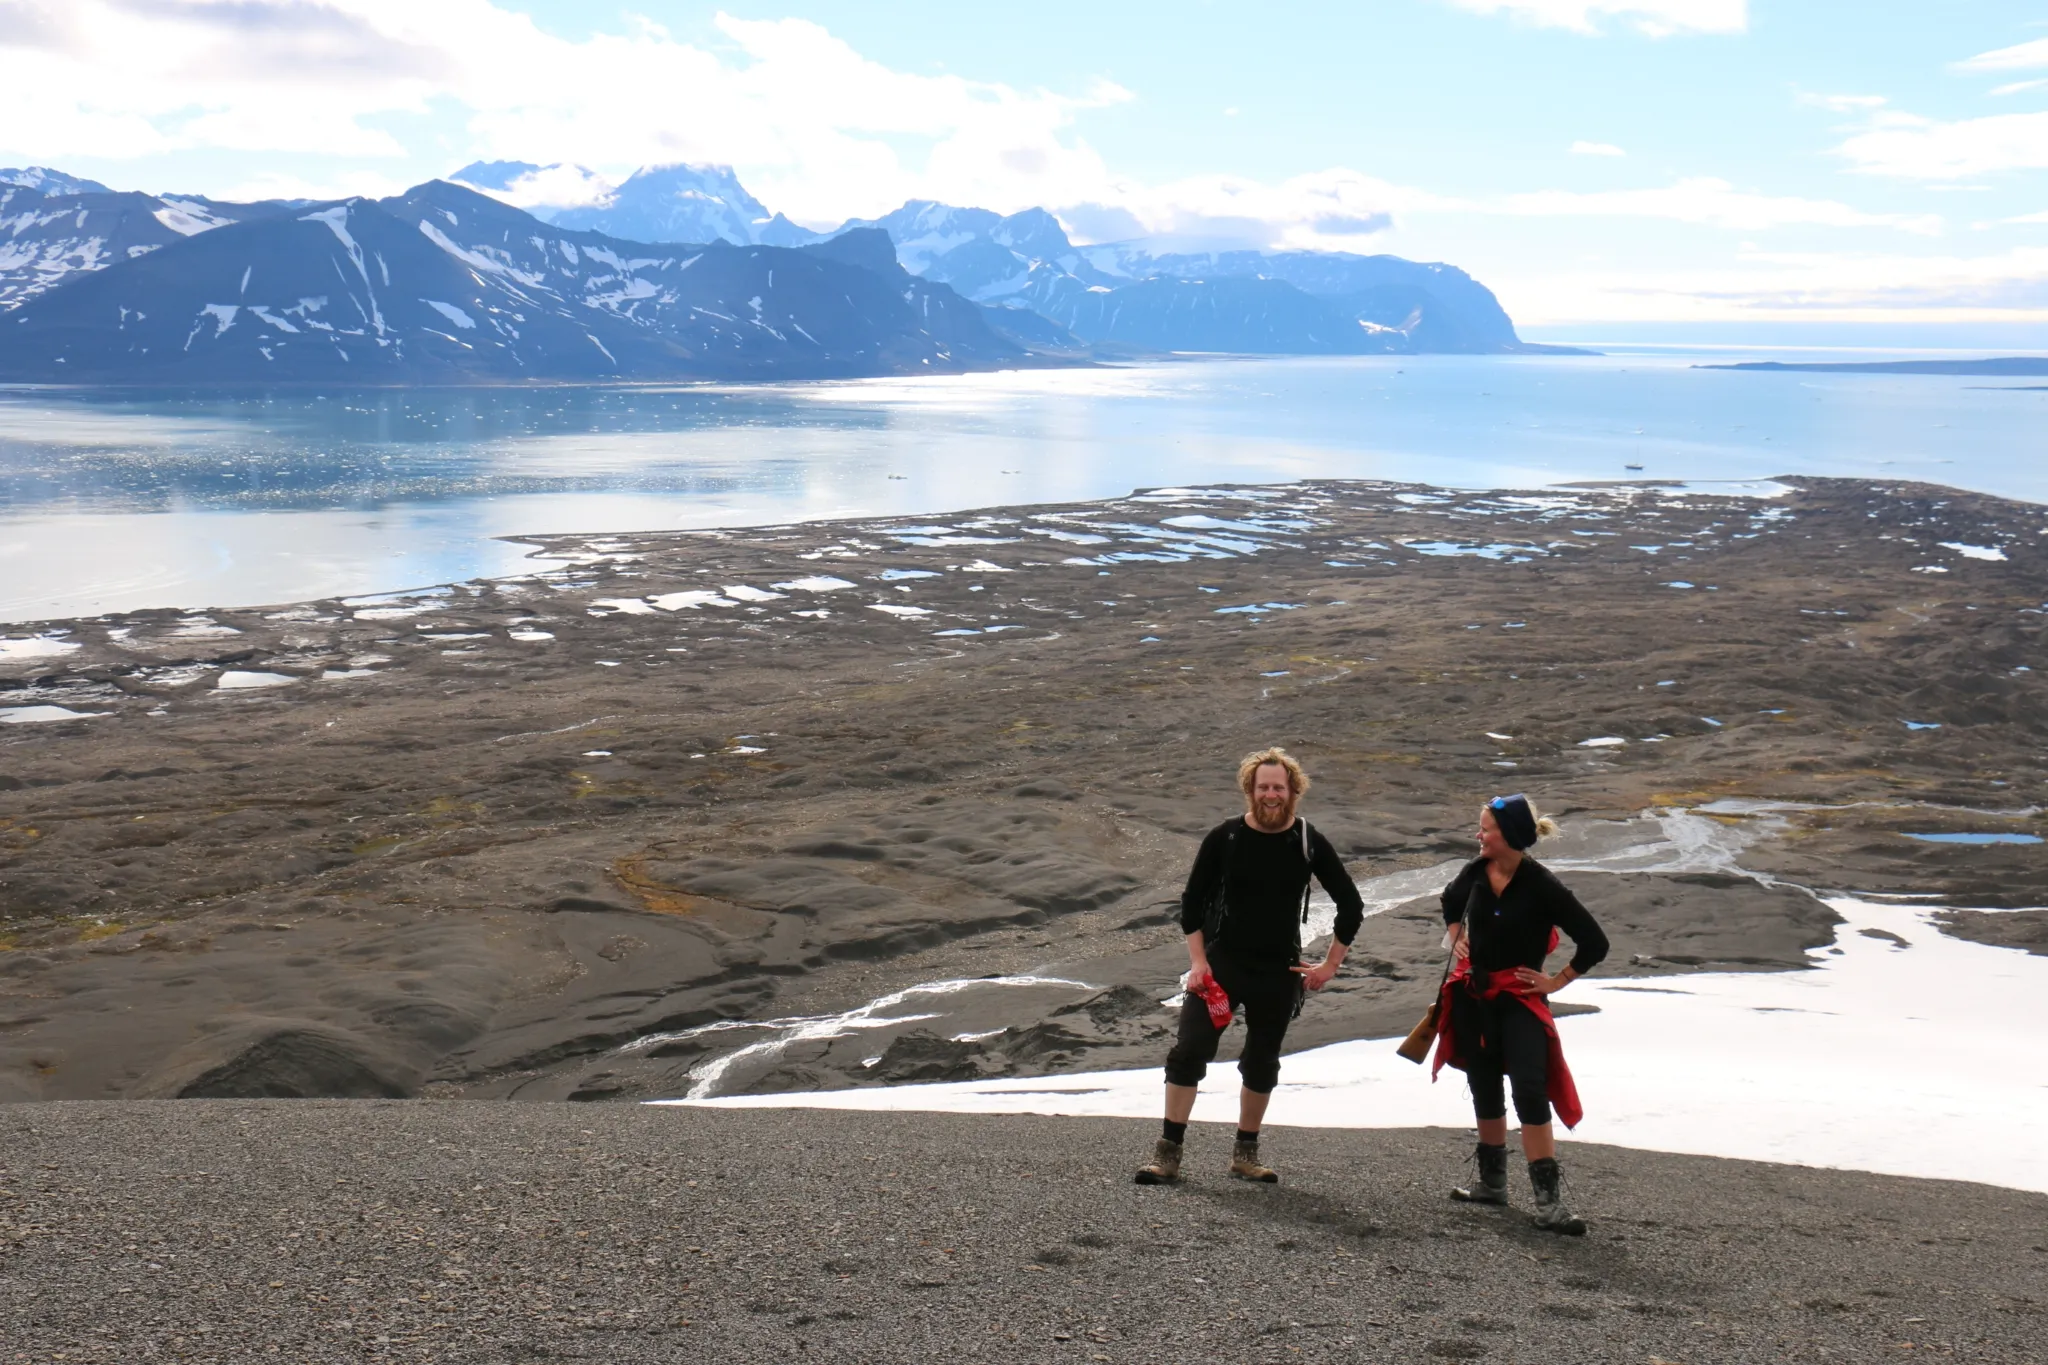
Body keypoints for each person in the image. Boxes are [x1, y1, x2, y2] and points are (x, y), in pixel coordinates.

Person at [1134, 747, 1366, 1186]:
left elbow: (1351, 904)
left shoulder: (1307, 840)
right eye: (1263, 787)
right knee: (1189, 1051)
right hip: (1222, 966)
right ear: (1250, 790)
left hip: (1279, 972)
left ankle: (1245, 1155)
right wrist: (1198, 963)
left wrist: (1330, 964)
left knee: (1262, 1061)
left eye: (1279, 787)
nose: (1271, 795)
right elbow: (1191, 903)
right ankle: (1168, 1155)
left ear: (1293, 791)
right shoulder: (1225, 837)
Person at [1428, 793, 1608, 1234]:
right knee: (1483, 1081)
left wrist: (1556, 981)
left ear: (1508, 835)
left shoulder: (1542, 884)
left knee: (1530, 1087)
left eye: (1485, 829)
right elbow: (1449, 901)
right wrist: (1456, 934)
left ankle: (1548, 1204)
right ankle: (1492, 1186)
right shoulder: (1475, 872)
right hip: (1474, 996)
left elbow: (1595, 941)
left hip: (1521, 999)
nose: (1478, 835)